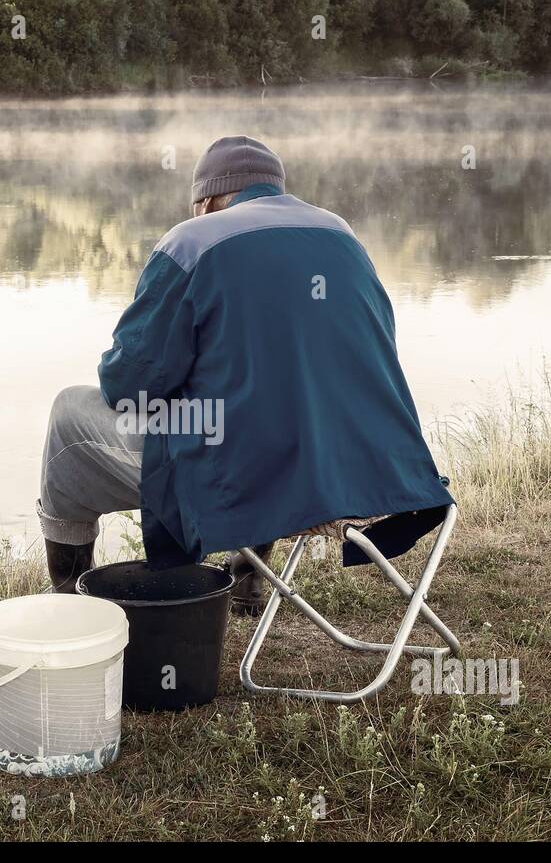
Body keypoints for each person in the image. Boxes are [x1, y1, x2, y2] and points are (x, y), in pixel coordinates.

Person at [37, 135, 452, 612]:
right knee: (270, 402)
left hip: (248, 476)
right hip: (370, 469)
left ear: (208, 200)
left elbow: (129, 385)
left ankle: (68, 604)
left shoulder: (191, 242)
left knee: (69, 413)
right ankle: (247, 576)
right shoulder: (341, 234)